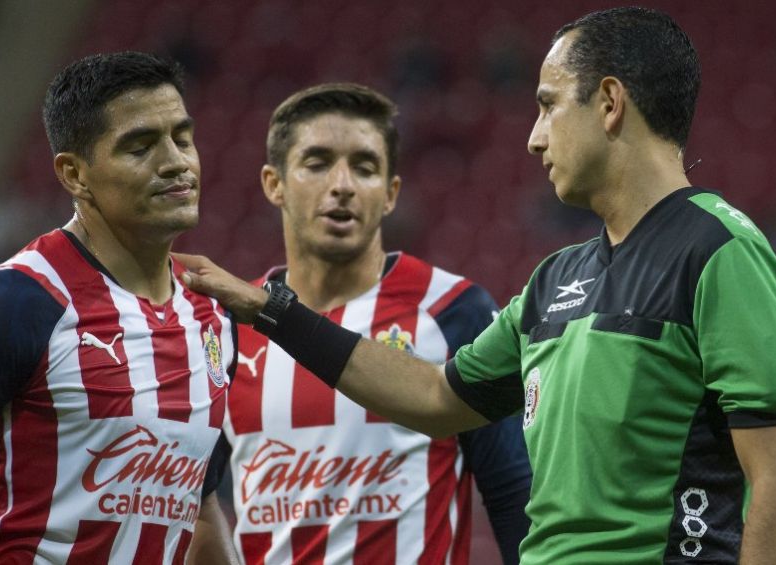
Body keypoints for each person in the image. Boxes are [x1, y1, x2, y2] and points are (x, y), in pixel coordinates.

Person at [178, 7, 776, 565]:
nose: (535, 138)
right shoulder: (557, 279)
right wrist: (273, 311)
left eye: (547, 105)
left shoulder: (720, 252)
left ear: (609, 103)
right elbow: (435, 394)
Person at [0, 52, 238, 565]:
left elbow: (200, 508)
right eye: (141, 146)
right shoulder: (16, 301)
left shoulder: (213, 316)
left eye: (182, 138)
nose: (175, 161)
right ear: (75, 174)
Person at [200, 83, 532, 564]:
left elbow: (513, 490)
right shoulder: (226, 326)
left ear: (391, 192)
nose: (343, 185)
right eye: (317, 163)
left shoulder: (454, 309)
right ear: (274, 183)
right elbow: (196, 503)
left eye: (365, 167)